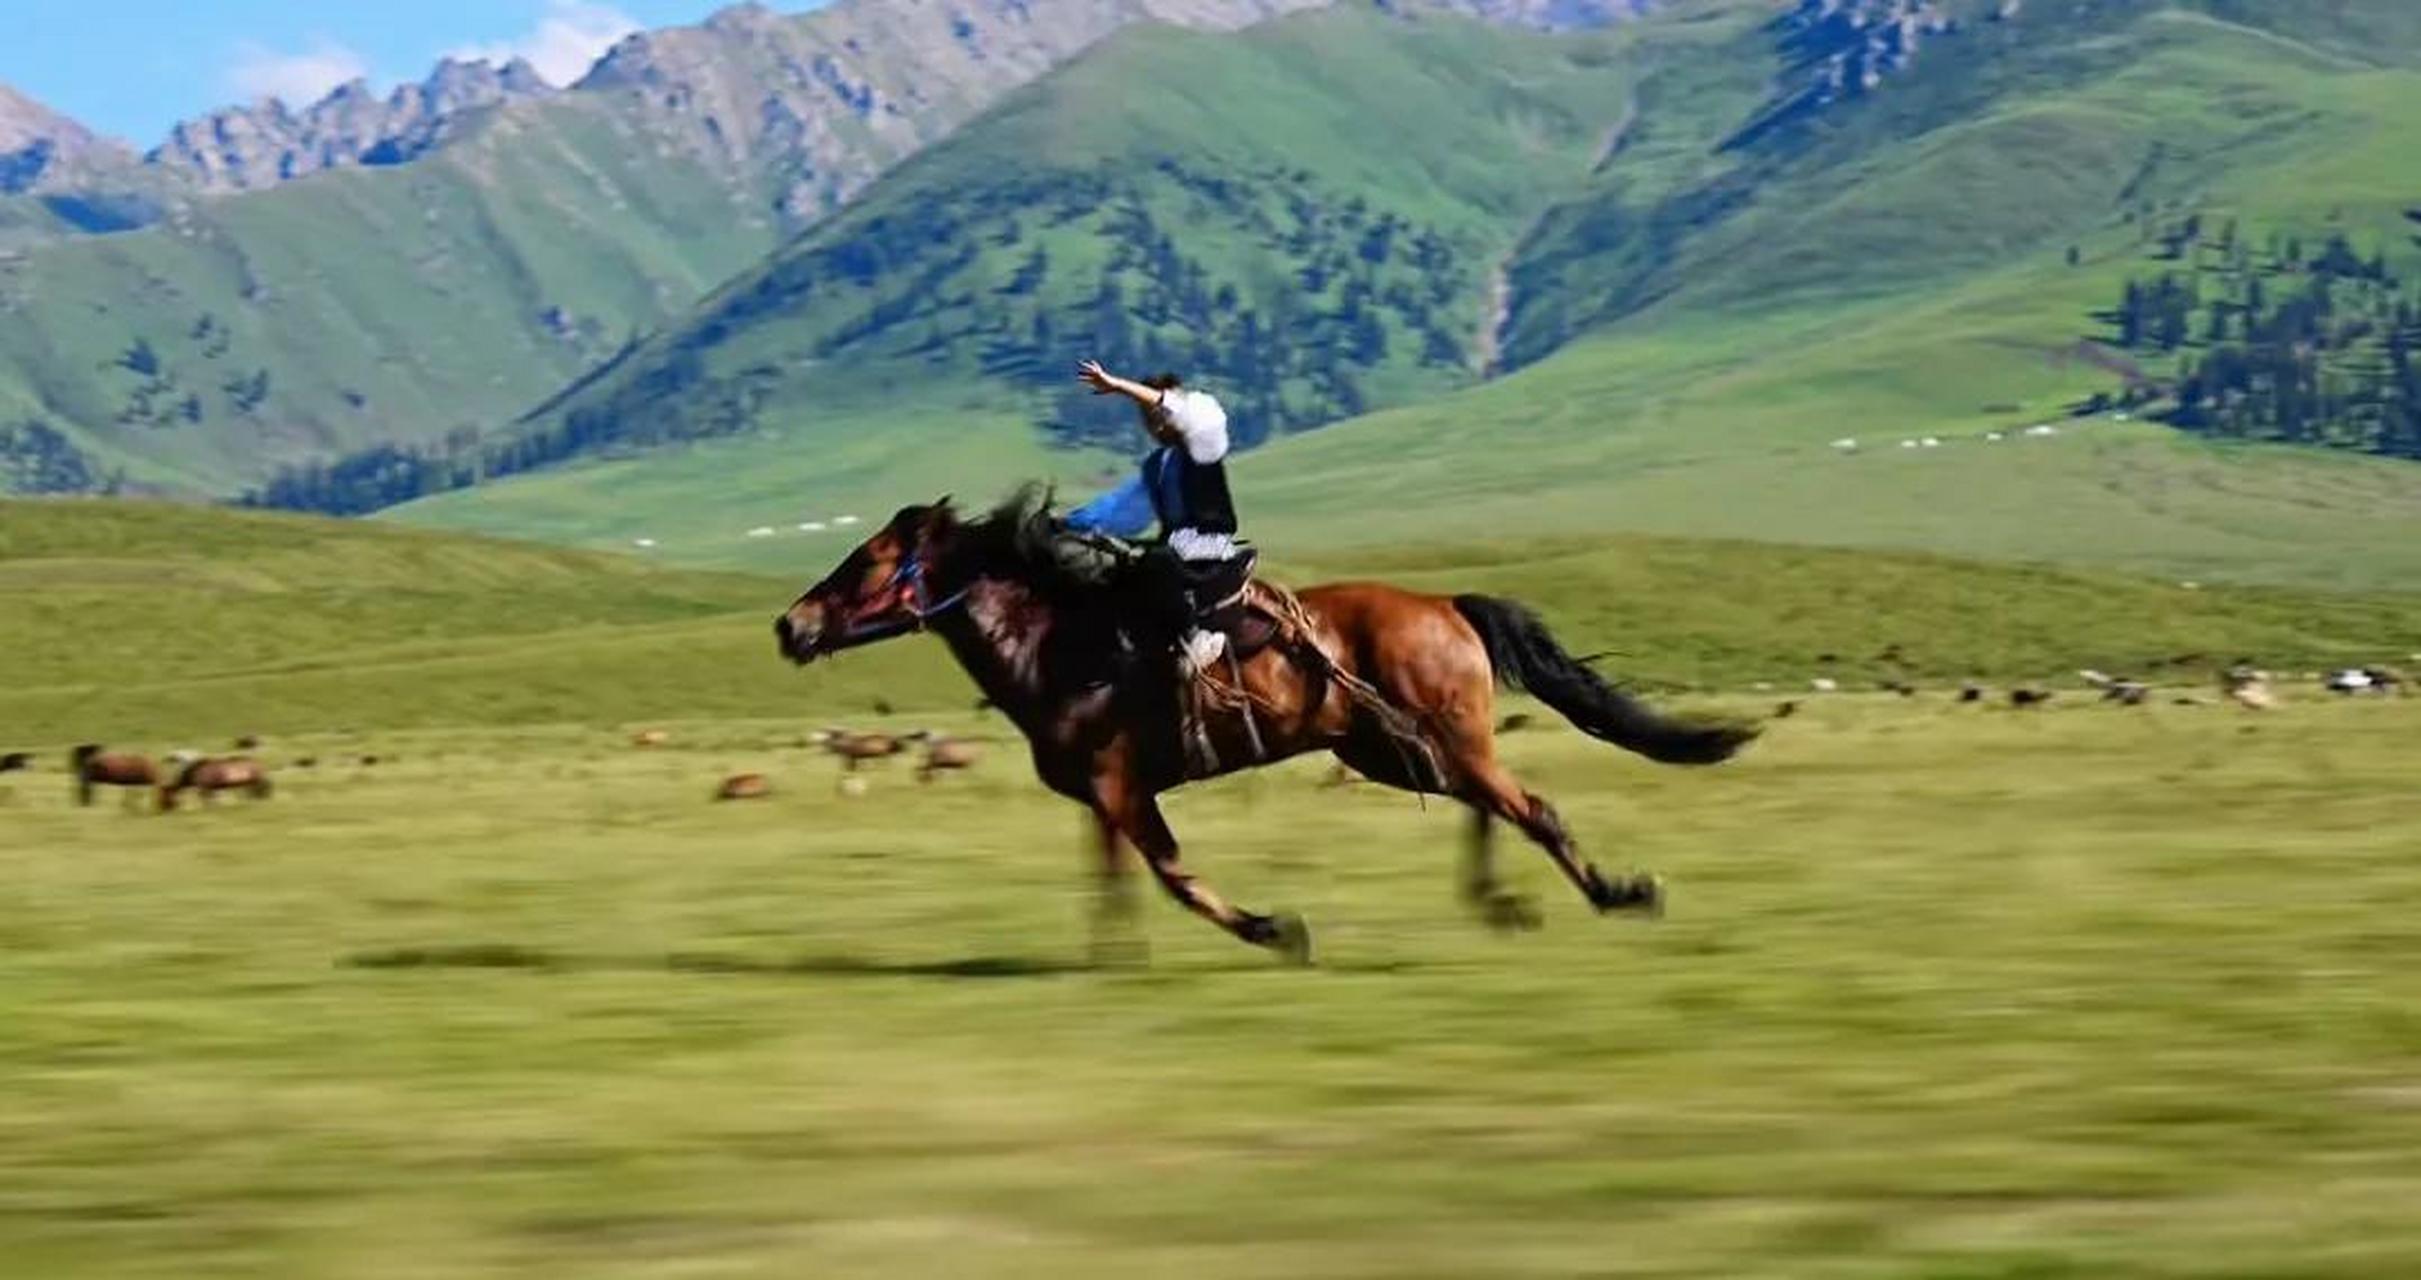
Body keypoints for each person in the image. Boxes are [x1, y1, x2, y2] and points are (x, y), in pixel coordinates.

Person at [1064, 359, 1248, 674]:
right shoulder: (1157, 466)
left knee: (1159, 560)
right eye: (1150, 418)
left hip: (1210, 541)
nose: (1158, 422)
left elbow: (1186, 412)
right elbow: (1120, 507)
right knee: (1118, 569)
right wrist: (1068, 524)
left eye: (1161, 413)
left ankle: (1199, 634)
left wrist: (1119, 385)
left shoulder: (1206, 440)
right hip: (1176, 543)